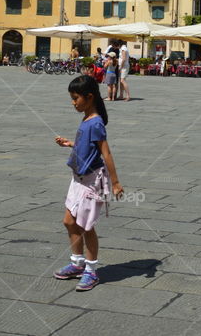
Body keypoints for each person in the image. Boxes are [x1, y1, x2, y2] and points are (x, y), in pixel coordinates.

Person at [53, 75, 123, 292]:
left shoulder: (96, 122)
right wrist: (71, 144)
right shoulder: (86, 119)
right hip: (78, 179)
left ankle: (91, 270)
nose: (73, 102)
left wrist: (116, 182)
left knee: (86, 226)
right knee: (69, 222)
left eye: (75, 98)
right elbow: (87, 146)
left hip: (91, 182)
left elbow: (106, 152)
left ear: (89, 97)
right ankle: (77, 263)